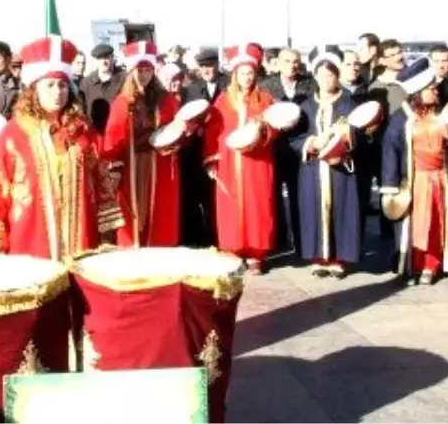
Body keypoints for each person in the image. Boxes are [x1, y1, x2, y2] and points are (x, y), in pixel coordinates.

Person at [0, 35, 123, 260]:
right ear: (34, 88)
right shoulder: (14, 133)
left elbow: (101, 181)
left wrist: (107, 232)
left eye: (63, 85)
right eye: (51, 85)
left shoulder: (84, 131)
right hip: (30, 243)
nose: (58, 92)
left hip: (81, 241)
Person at [380, 56, 448, 285]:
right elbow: (390, 150)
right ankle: (411, 266)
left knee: (436, 222)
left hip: (440, 178)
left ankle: (431, 266)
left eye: (435, 87)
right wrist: (391, 185)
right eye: (431, 88)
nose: (436, 91)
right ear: (418, 92)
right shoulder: (401, 118)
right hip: (414, 179)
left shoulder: (443, 114)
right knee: (414, 225)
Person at [201, 44, 278, 274]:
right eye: (243, 73)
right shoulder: (223, 101)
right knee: (230, 205)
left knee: (259, 204)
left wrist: (263, 132)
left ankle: (256, 252)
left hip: (257, 161)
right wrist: (211, 160)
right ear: (235, 75)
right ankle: (233, 249)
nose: (247, 77)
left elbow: (275, 127)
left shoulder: (265, 99)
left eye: (251, 73)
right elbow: (212, 132)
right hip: (229, 162)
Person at [101, 41, 182, 247]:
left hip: (158, 164)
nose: (144, 74)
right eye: (140, 69)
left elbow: (176, 126)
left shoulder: (165, 99)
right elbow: (113, 136)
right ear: (131, 71)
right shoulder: (123, 102)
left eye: (148, 70)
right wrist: (114, 165)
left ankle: (157, 248)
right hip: (132, 165)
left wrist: (174, 137)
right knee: (134, 213)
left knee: (158, 211)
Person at [290, 48, 361, 278]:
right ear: (315, 77)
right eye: (321, 75)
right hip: (313, 169)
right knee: (313, 210)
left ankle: (339, 258)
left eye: (330, 75)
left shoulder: (349, 104)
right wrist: (310, 142)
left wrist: (346, 139)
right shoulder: (306, 106)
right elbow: (295, 137)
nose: (326, 80)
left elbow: (359, 133)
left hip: (339, 169)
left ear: (337, 76)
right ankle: (319, 257)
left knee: (340, 210)